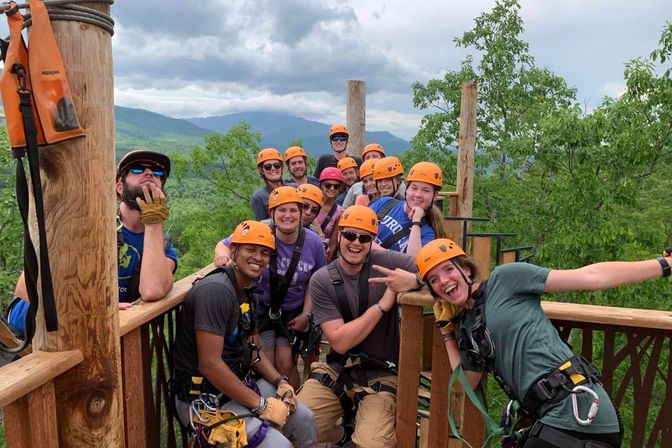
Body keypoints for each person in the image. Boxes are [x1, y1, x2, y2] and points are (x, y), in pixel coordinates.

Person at [369, 239, 672, 448]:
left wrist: (664, 264)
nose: (444, 281)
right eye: (433, 280)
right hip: (554, 421)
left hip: (578, 412)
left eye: (448, 269)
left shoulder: (506, 279)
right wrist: (447, 331)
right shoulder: (466, 327)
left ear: (467, 269)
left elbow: (590, 276)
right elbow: (467, 381)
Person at [173, 220, 317, 447]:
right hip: (203, 400)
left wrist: (280, 381)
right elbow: (209, 364)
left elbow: (254, 347)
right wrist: (262, 405)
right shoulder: (217, 291)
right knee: (278, 445)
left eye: (264, 252)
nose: (258, 258)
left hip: (234, 388)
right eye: (250, 249)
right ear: (233, 251)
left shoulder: (247, 291)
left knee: (305, 419)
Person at [5, 150, 178, 336]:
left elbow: (152, 290)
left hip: (85, 335)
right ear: (119, 187)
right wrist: (94, 308)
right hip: (24, 331)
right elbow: (25, 288)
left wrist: (153, 222)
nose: (149, 173)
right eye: (137, 169)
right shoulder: (88, 226)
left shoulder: (163, 249)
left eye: (158, 171)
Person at [297, 205, 421, 447]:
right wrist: (383, 305)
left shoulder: (385, 262)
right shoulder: (322, 280)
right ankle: (341, 434)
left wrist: (415, 279)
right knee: (293, 427)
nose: (356, 243)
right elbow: (340, 341)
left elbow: (441, 271)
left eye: (364, 238)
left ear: (372, 241)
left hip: (382, 372)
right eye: (350, 235)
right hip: (337, 368)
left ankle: (354, 433)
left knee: (372, 444)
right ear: (339, 234)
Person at [213, 187, 328, 389]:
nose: (288, 216)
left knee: (285, 364)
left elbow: (316, 280)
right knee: (264, 361)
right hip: (260, 308)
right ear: (271, 214)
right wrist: (222, 257)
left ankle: (292, 406)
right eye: (281, 210)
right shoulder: (260, 232)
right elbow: (224, 244)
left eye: (293, 210)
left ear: (301, 214)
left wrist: (307, 315)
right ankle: (271, 408)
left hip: (293, 312)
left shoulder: (314, 244)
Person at [370, 161, 446, 257]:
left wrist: (416, 222)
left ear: (434, 197)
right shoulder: (385, 203)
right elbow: (354, 227)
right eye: (414, 188)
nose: (418, 195)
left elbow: (413, 263)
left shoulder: (427, 233)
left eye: (426, 190)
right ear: (407, 189)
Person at [252, 148, 291, 220]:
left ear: (281, 168)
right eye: (268, 167)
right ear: (262, 171)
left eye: (277, 165)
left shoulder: (294, 188)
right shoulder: (259, 197)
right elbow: (261, 224)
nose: (273, 169)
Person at [315, 168, 345, 260]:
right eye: (328, 185)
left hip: (322, 252)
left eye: (336, 186)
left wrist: (325, 260)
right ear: (321, 186)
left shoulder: (339, 212)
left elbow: (333, 242)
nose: (332, 189)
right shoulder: (313, 203)